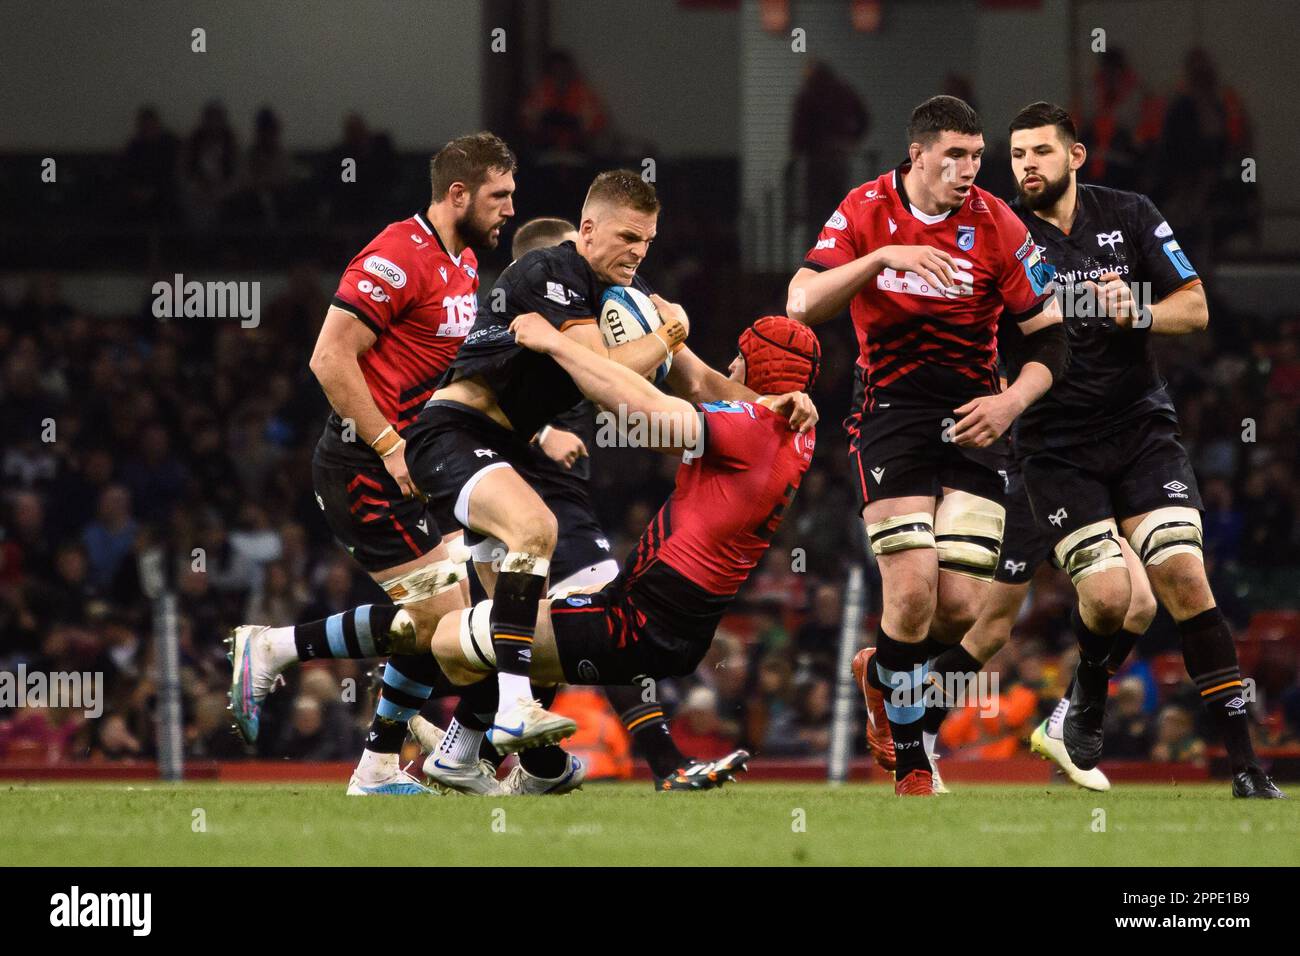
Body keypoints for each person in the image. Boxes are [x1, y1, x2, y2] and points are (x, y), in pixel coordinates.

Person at [403, 169, 815, 757]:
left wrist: (771, 409)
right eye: (627, 238)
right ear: (588, 229)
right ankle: (509, 710)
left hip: (509, 449)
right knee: (531, 539)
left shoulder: (627, 287)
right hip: (452, 433)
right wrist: (671, 331)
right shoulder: (548, 270)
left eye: (647, 240)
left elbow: (699, 381)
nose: (638, 252)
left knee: (505, 619)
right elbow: (607, 379)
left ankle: (452, 753)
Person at [990, 102, 1277, 798]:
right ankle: (1085, 694)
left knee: (1184, 578)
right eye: (1018, 155)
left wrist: (1137, 308)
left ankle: (1246, 768)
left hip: (1141, 428)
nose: (1027, 165)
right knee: (1116, 595)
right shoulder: (999, 234)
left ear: (1076, 156)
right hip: (1056, 446)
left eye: (1041, 152)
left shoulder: (1131, 212)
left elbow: (1197, 306)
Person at [787, 95, 1066, 795]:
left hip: (978, 416)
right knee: (910, 593)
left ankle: (880, 674)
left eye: (977, 156)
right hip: (892, 414)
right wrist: (882, 256)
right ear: (917, 155)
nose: (969, 169)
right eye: (955, 156)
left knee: (962, 609)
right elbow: (800, 303)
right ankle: (912, 761)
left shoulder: (997, 223)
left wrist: (1011, 401)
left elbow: (1051, 336)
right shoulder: (865, 208)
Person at [227, 132, 517, 796]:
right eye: (499, 196)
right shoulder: (397, 253)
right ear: (458, 194)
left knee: (439, 620)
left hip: (417, 468)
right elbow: (328, 359)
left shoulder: (465, 264)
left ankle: (377, 762)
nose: (508, 210)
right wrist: (392, 448)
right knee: (451, 631)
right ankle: (280, 659)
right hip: (365, 466)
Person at [426, 312, 820, 799]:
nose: (730, 367)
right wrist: (664, 329)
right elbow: (701, 384)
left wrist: (556, 342)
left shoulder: (750, 428)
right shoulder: (796, 431)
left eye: (740, 359)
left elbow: (642, 409)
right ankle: (478, 758)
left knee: (453, 633)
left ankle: (398, 720)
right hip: (670, 625)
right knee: (524, 638)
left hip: (635, 619)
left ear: (757, 368)